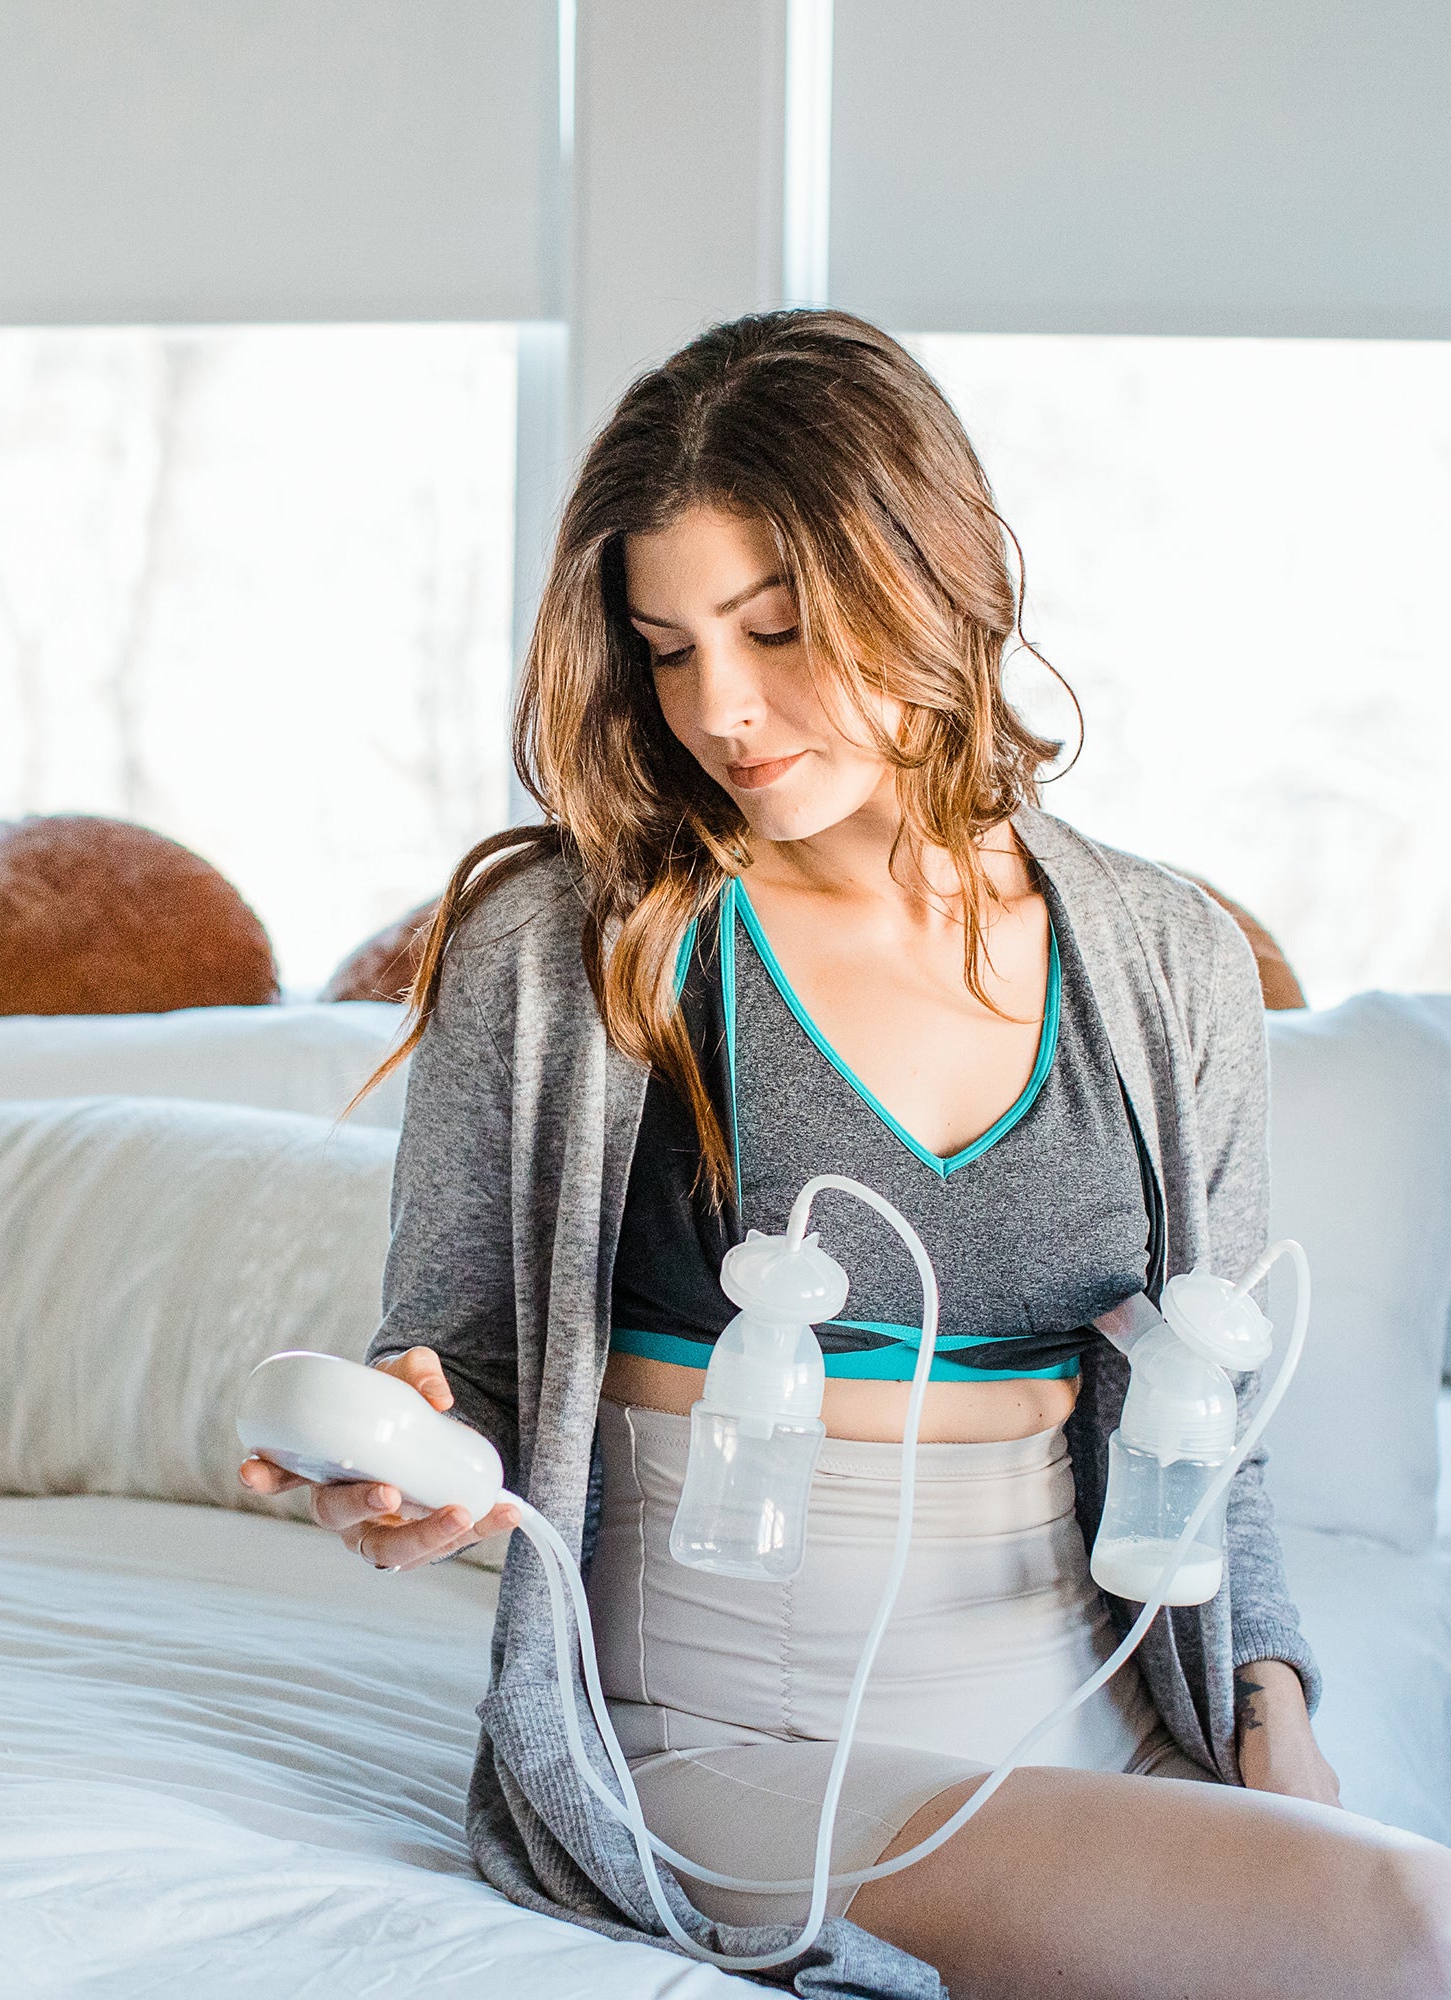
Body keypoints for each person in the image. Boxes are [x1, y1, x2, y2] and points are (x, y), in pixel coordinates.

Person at [241, 311, 1451, 1998]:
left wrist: (1272, 1726)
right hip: (736, 1736)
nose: (719, 708)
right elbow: (476, 1363)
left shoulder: (1167, 960)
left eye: (776, 627)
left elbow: (1214, 1430)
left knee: (1377, 1907)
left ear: (930, 577)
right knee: (1404, 1929)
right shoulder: (572, 947)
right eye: (666, 649)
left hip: (1097, 1694)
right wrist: (413, 1462)